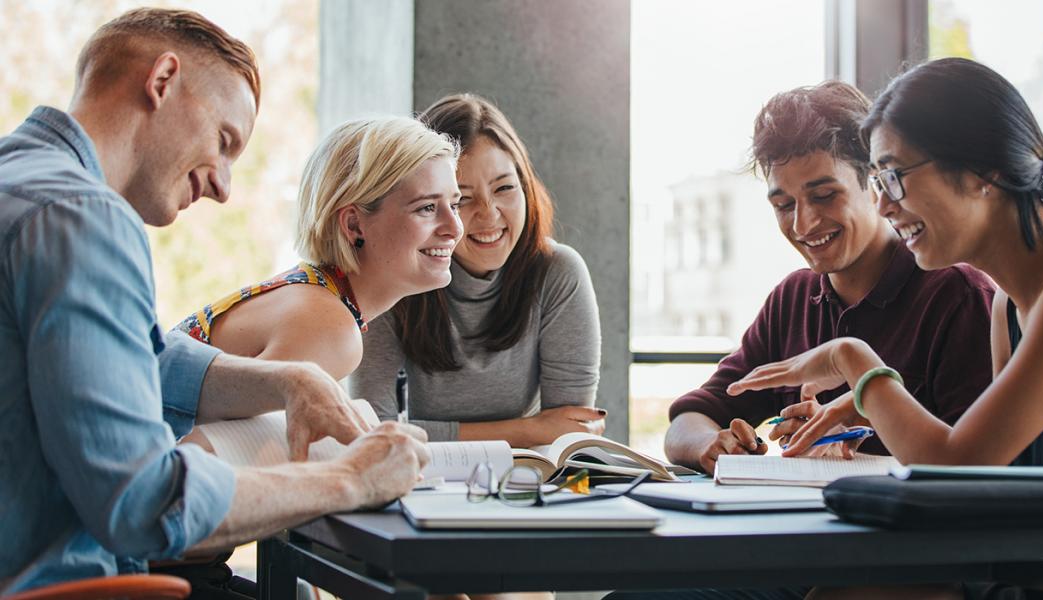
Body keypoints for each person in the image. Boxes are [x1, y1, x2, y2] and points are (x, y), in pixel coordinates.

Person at [731, 58, 1043, 599]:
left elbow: (955, 467)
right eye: (879, 180)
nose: (883, 204)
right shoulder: (1009, 305)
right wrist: (872, 409)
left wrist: (853, 361)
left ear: (984, 173)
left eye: (895, 177)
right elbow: (986, 485)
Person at [0, 8, 429, 595]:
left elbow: (141, 362)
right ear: (162, 81)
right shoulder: (83, 218)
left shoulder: (20, 182)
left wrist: (289, 381)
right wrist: (350, 479)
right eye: (224, 142)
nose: (224, 187)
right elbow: (144, 502)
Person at [664, 81, 995, 475]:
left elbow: (976, 464)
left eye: (823, 196)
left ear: (875, 184)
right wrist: (710, 444)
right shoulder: (793, 299)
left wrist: (861, 426)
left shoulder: (957, 295)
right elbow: (689, 419)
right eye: (784, 205)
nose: (803, 224)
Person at [349, 93, 605, 448]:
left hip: (526, 483)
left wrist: (542, 432)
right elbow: (375, 432)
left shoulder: (558, 273)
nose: (489, 214)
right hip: (416, 482)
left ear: (527, 187)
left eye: (504, 188)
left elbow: (568, 432)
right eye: (462, 199)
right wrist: (528, 430)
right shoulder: (392, 275)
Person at [176, 115, 464, 384]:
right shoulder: (330, 329)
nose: (455, 228)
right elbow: (207, 437)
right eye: (427, 208)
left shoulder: (318, 295)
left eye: (454, 205)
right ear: (354, 225)